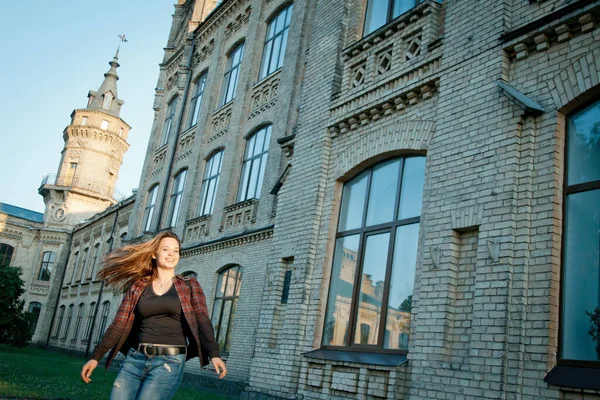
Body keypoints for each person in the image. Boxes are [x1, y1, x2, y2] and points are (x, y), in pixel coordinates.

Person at [80, 231, 227, 400]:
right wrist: (95, 357)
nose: (171, 253)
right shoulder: (138, 286)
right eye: (165, 249)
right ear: (154, 254)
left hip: (169, 362)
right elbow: (118, 324)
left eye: (176, 250)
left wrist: (214, 354)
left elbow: (203, 321)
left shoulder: (189, 285)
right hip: (135, 358)